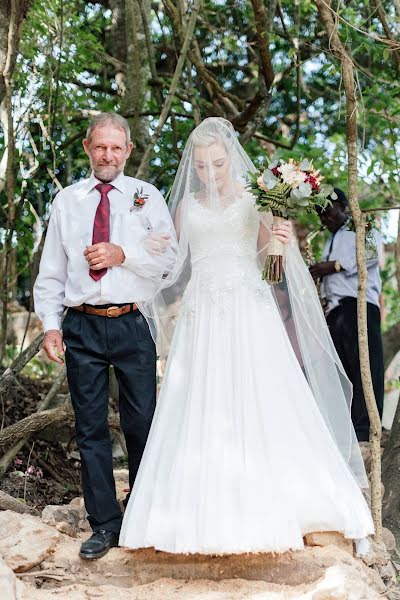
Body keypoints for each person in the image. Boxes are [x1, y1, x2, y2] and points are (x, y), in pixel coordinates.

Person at [119, 117, 373, 555]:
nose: (211, 174)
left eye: (217, 164)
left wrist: (279, 241)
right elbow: (175, 268)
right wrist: (150, 252)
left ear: (230, 157)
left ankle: (300, 501)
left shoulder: (255, 199)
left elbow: (270, 264)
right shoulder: (186, 208)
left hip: (248, 306)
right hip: (202, 314)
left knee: (263, 393)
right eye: (201, 166)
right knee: (201, 396)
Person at [33, 112, 176, 559]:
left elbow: (169, 259)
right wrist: (51, 326)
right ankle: (105, 524)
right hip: (82, 325)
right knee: (90, 428)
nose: (108, 155)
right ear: (87, 148)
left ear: (128, 150)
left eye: (116, 148)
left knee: (142, 422)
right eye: (100, 147)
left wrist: (123, 253)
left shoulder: (146, 197)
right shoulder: (67, 202)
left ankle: (145, 512)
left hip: (133, 323)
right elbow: (51, 272)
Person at [310, 188, 384, 442]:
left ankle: (365, 431)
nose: (323, 220)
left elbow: (372, 255)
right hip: (336, 311)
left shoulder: (363, 225)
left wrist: (334, 266)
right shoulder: (333, 237)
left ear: (342, 205)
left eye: (326, 212)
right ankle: (346, 431)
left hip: (359, 305)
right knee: (343, 373)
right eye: (319, 216)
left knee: (365, 368)